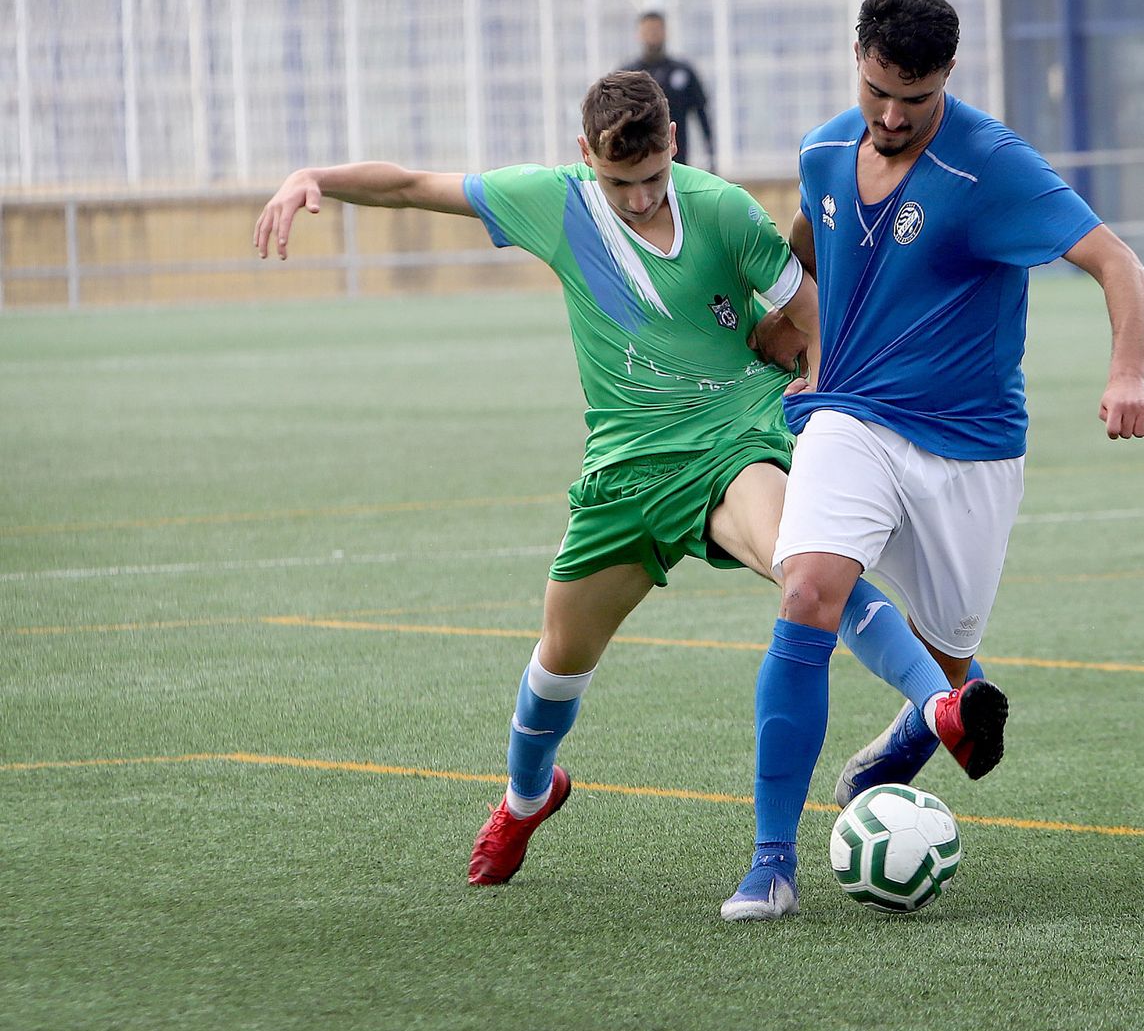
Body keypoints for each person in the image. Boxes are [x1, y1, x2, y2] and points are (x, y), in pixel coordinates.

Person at [252, 69, 988, 905]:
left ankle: (941, 708)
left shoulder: (722, 210)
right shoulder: (554, 201)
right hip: (625, 471)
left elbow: (814, 315)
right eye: (617, 182)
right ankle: (528, 799)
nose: (637, 200)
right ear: (585, 156)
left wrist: (811, 401)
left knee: (806, 569)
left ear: (672, 144)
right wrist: (310, 176)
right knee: (558, 665)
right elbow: (417, 186)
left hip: (730, 441)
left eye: (649, 179)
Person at [720, 0, 1144, 921]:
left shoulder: (993, 167)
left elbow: (1119, 263)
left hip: (971, 450)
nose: (890, 116)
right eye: (878, 90)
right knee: (807, 592)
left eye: (913, 101)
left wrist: (1129, 375)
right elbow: (812, 232)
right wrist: (789, 325)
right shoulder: (825, 148)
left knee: (950, 652)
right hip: (847, 417)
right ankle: (770, 863)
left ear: (947, 77)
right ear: (859, 58)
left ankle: (910, 736)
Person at [623, 11, 715, 171]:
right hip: (638, 159)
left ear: (666, 32)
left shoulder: (683, 71)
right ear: (639, 34)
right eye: (648, 30)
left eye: (657, 29)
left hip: (677, 158)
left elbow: (701, 113)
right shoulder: (627, 73)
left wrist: (711, 153)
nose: (653, 34)